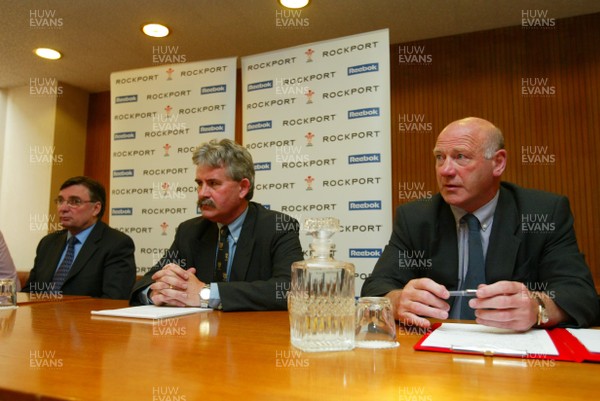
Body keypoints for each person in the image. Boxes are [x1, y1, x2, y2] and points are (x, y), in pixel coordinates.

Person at [361, 117, 599, 331]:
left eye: (460, 157)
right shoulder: (416, 217)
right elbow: (376, 288)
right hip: (436, 354)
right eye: (439, 157)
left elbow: (581, 296)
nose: (445, 170)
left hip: (513, 358)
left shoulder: (542, 213)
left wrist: (538, 308)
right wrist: (397, 299)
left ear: (498, 163)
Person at [130, 139, 303, 311]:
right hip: (201, 334)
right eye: (199, 183)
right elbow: (147, 282)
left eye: (213, 183)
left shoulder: (279, 227)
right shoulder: (190, 231)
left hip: (253, 334)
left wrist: (206, 293)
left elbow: (290, 289)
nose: (202, 193)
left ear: (243, 188)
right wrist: (157, 293)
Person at [22, 176, 136, 299]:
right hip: (41, 315)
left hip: (85, 317)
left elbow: (113, 300)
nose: (63, 208)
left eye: (75, 202)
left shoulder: (116, 244)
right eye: (60, 201)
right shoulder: (48, 243)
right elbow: (30, 292)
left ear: (96, 208)